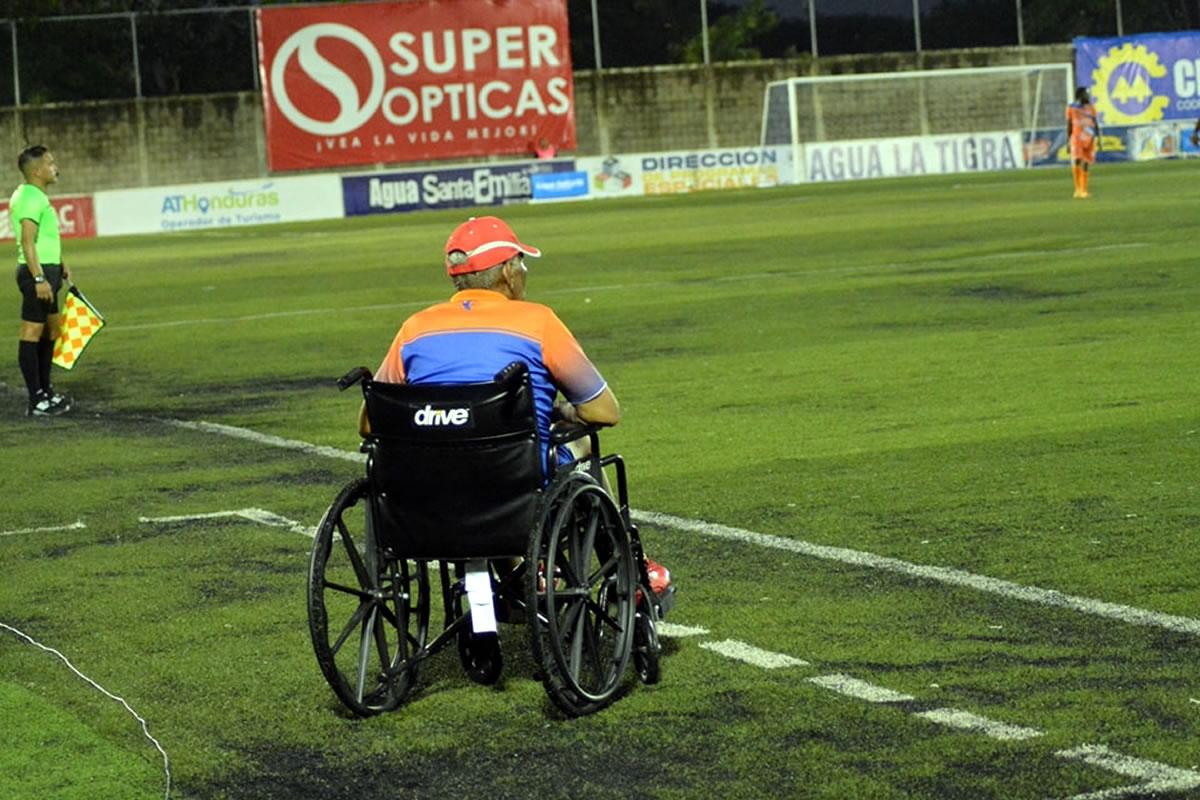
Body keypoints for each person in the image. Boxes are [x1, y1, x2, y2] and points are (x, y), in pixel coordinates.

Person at [364, 215, 672, 599]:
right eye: (522, 263)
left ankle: (518, 576)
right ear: (508, 271)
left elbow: (370, 420)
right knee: (580, 447)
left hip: (425, 494)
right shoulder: (537, 322)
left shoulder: (414, 328)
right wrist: (566, 412)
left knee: (474, 452)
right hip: (515, 485)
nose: (524, 272)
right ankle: (629, 571)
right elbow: (605, 412)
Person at [11, 144, 71, 417]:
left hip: (48, 272)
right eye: (50, 163)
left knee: (51, 331)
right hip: (37, 275)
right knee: (32, 333)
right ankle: (36, 399)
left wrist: (60, 262)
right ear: (37, 171)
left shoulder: (31, 195)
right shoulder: (31, 198)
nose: (55, 167)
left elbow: (44, 239)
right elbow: (27, 241)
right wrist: (39, 278)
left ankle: (46, 391)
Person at [1065, 87, 1101, 199]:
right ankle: (1077, 189)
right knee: (1077, 160)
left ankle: (1084, 190)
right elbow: (1069, 124)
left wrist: (1099, 138)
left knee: (1086, 163)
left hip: (1089, 138)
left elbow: (1095, 123)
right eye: (1086, 94)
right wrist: (1068, 141)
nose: (1088, 97)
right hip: (1076, 138)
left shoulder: (1091, 108)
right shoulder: (1071, 108)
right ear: (1080, 96)